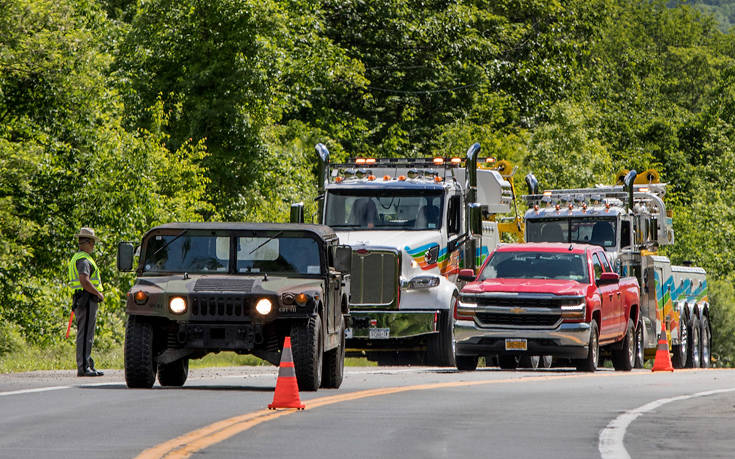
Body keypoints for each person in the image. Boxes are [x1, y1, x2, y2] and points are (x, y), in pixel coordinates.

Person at [67, 227, 105, 377]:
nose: (94, 246)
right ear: (88, 242)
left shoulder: (77, 257)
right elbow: (84, 280)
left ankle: (87, 363)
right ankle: (83, 367)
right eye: (93, 243)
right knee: (85, 334)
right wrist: (98, 294)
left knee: (87, 333)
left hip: (82, 299)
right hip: (87, 299)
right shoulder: (83, 259)